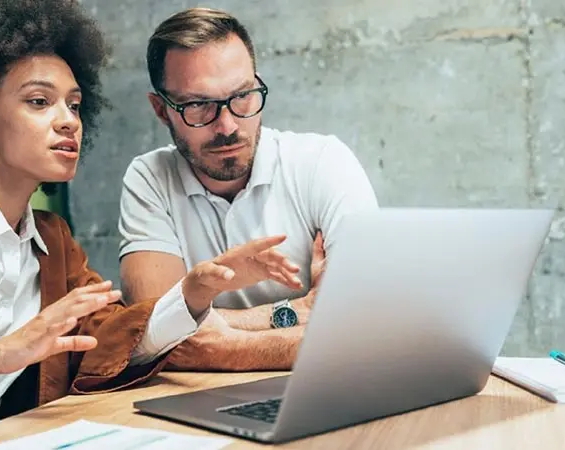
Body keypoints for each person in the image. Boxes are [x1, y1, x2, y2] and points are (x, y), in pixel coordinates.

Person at [0, 1, 300, 449]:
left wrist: (193, 292)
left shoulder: (53, 239)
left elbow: (108, 345)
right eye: (38, 102)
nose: (68, 121)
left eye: (73, 104)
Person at [118, 7, 380, 371]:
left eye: (243, 96)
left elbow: (369, 325)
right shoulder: (150, 178)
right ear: (161, 110)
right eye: (198, 105)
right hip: (197, 401)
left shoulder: (322, 162)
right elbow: (149, 334)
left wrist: (227, 346)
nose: (227, 125)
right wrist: (300, 310)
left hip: (317, 387)